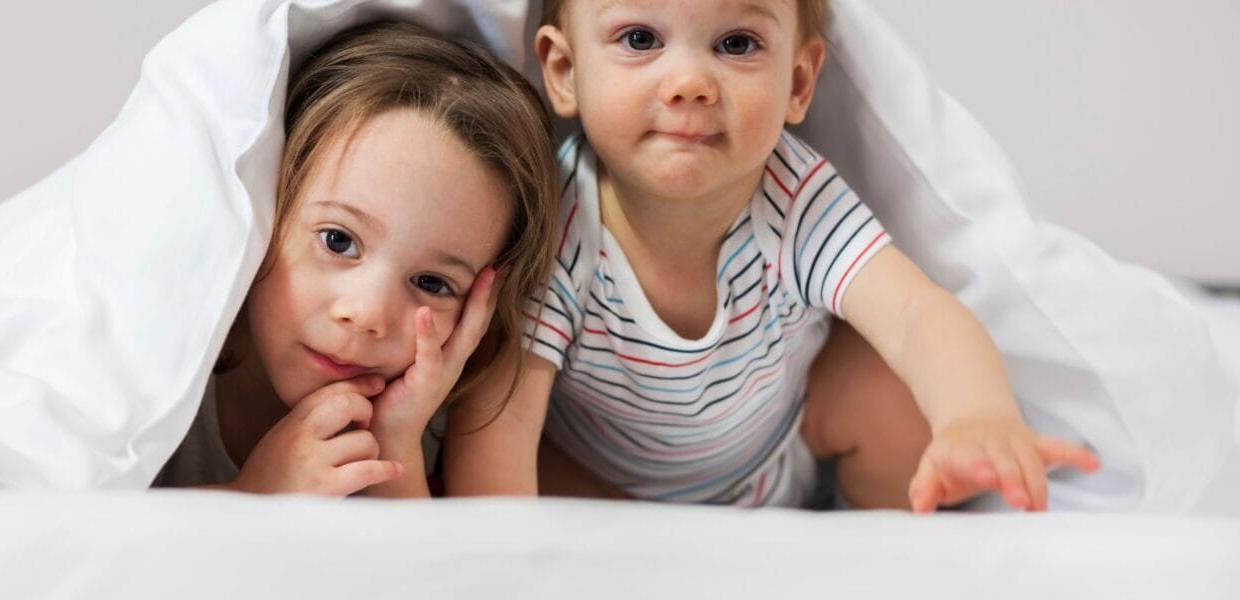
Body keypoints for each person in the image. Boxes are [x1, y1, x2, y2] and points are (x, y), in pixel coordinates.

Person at [440, 0, 1100, 512]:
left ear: (799, 83)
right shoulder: (559, 220)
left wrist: (976, 414)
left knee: (888, 393)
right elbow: (499, 417)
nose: (690, 82)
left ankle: (875, 541)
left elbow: (919, 318)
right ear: (564, 71)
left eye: (737, 44)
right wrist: (503, 556)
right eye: (640, 39)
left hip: (778, 457)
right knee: (501, 444)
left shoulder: (797, 199)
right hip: (596, 479)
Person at [152, 21, 559, 497]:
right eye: (338, 241)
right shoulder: (173, 367)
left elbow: (422, 570)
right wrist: (256, 493)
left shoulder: (434, 410)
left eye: (432, 283)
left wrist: (396, 439)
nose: (367, 314)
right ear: (267, 211)